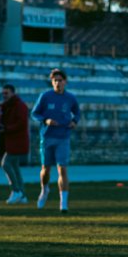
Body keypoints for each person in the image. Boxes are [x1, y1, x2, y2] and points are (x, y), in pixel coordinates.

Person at [32, 69, 80, 212]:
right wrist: (45, 120)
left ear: (65, 82)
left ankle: (63, 203)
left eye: (60, 80)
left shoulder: (70, 98)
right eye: (55, 80)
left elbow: (77, 112)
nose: (58, 83)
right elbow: (35, 113)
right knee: (46, 170)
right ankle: (44, 189)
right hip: (47, 137)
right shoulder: (45, 96)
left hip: (63, 137)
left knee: (62, 169)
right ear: (52, 82)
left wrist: (74, 121)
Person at [0, 83, 30, 204]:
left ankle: (16, 191)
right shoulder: (6, 106)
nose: (4, 95)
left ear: (13, 93)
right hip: (9, 141)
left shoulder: (20, 106)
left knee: (6, 164)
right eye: (3, 93)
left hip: (17, 142)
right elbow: (1, 118)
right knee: (15, 167)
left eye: (6, 93)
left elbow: (21, 123)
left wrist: (6, 128)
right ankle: (23, 195)